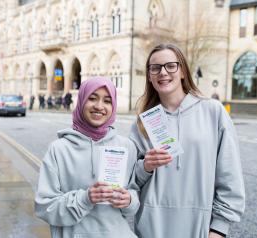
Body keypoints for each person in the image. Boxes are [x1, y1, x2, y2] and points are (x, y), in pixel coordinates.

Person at [129, 43, 245, 238]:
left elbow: (230, 175)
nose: (163, 72)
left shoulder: (213, 111)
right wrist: (146, 167)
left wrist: (218, 229)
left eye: (170, 66)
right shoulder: (142, 123)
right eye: (155, 68)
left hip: (200, 229)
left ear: (182, 71)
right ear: (149, 76)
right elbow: (130, 182)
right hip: (152, 229)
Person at [35, 76, 140, 238]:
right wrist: (85, 199)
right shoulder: (59, 149)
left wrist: (129, 201)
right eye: (92, 98)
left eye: (107, 101)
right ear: (81, 100)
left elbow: (133, 198)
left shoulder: (126, 147)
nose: (99, 106)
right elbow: (44, 207)